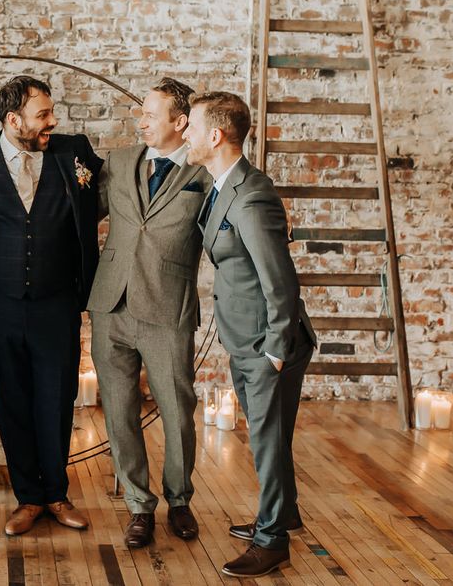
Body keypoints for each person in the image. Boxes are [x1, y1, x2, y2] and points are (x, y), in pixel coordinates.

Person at [0, 75, 103, 536]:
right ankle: (28, 497)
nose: (52, 121)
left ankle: (56, 494)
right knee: (12, 402)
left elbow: (111, 189)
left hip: (57, 304)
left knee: (57, 402)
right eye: (42, 114)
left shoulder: (72, 150)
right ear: (12, 119)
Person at [183, 91, 317, 578]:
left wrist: (276, 351)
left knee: (265, 439)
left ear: (216, 136)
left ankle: (272, 540)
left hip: (268, 342)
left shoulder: (253, 194)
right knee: (271, 437)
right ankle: (283, 514)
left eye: (192, 127)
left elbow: (279, 280)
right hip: (247, 337)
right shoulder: (224, 184)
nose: (186, 134)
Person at [87, 78, 212, 548]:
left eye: (150, 115)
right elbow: (81, 215)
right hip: (110, 305)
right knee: (118, 410)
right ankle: (139, 506)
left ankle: (179, 500)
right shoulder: (119, 164)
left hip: (167, 308)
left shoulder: (205, 175)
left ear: (181, 123)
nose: (140, 122)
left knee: (178, 411)